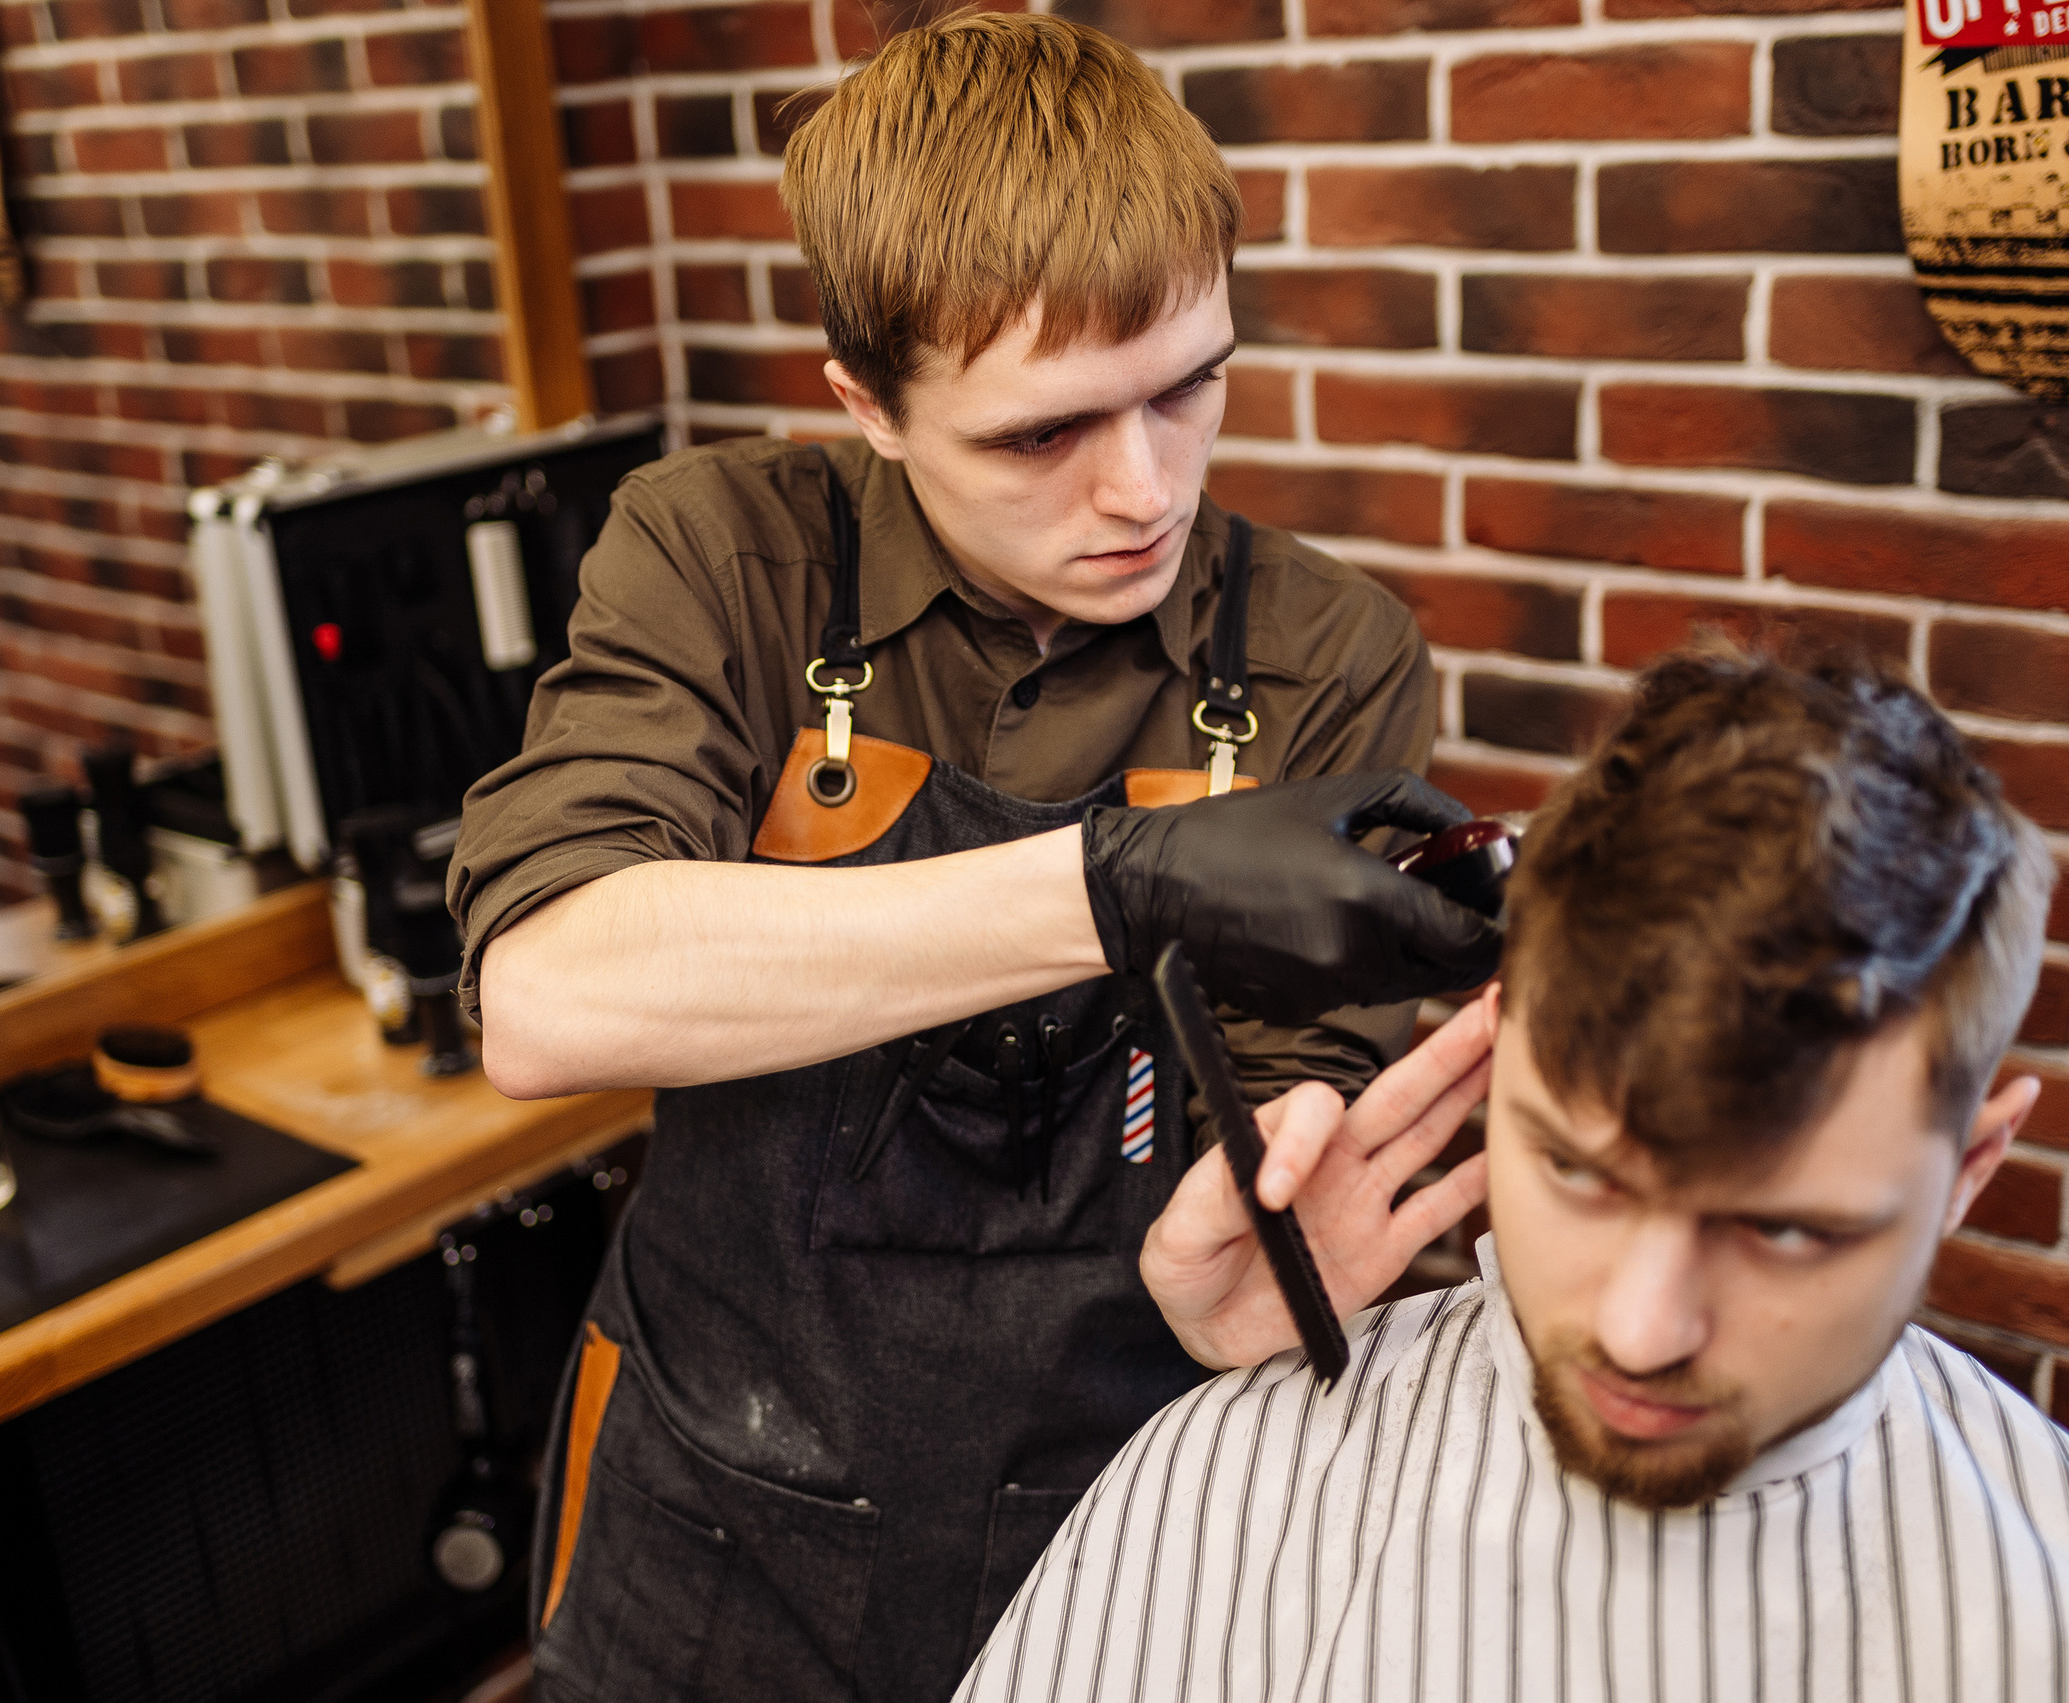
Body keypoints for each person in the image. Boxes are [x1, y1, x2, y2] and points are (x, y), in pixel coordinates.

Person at [446, 14, 1501, 1701]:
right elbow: (547, 994)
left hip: (1124, 1525)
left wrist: (1265, 1218)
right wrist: (1117, 883)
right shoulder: (723, 560)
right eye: (1039, 436)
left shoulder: (1325, 652)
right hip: (712, 1515)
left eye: (1190, 385)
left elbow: (1290, 1092)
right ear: (866, 402)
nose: (1143, 490)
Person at [962, 648, 2069, 1702]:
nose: (1639, 1329)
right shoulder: (1234, 1482)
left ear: (1969, 1168)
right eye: (1577, 1171)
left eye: (1783, 1231)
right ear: (1495, 1051)